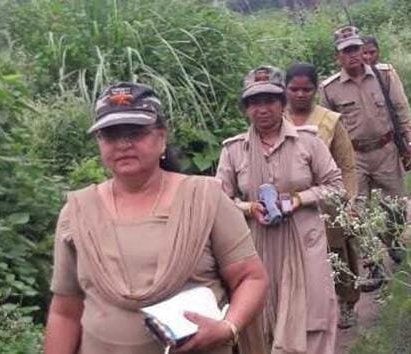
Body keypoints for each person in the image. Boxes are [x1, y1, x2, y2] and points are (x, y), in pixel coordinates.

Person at [44, 82, 268, 354]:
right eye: (111, 135)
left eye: (136, 132)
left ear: (161, 137)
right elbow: (65, 311)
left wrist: (228, 327)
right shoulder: (78, 212)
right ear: (99, 143)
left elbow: (251, 278)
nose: (123, 144)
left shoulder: (203, 199)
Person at [216, 66, 342, 353]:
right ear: (245, 109)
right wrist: (248, 207)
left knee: (312, 316)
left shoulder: (308, 142)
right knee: (261, 319)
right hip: (255, 249)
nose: (262, 109)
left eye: (270, 101)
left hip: (304, 244)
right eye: (254, 103)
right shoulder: (234, 150)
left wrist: (298, 199)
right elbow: (219, 202)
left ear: (282, 103)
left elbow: (335, 186)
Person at [318, 26, 411, 266]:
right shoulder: (329, 89)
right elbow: (328, 129)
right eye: (346, 51)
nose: (353, 54)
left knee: (395, 205)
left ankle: (393, 240)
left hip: (386, 150)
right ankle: (371, 261)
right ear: (338, 57)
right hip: (354, 158)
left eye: (356, 48)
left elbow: (402, 109)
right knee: (355, 212)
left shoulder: (384, 75)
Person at [283, 62, 359, 329]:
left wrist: (348, 203)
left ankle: (347, 303)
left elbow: (347, 166)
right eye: (294, 89)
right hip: (290, 204)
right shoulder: (276, 119)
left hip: (328, 200)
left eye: (307, 89)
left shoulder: (330, 120)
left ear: (316, 89)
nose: (301, 94)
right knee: (297, 259)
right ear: (285, 89)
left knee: (337, 254)